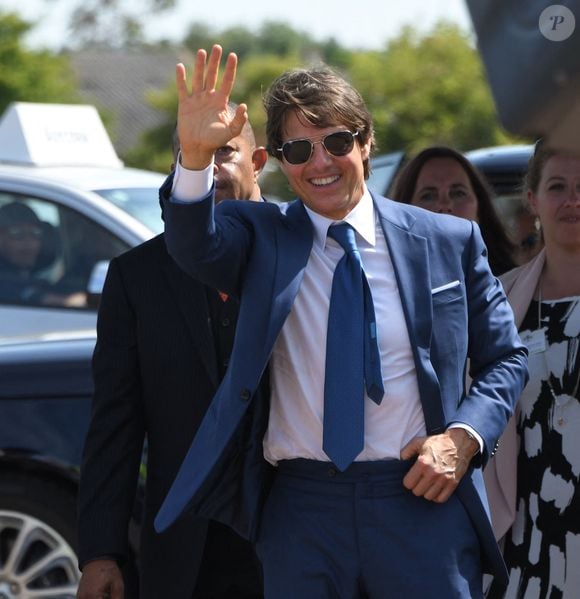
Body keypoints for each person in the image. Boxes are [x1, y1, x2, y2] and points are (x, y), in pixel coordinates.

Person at [155, 45, 528, 598]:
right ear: (280, 161)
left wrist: (463, 438)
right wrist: (193, 158)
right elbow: (193, 244)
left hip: (421, 500)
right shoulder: (261, 234)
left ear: (366, 140)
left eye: (335, 141)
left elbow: (506, 357)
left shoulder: (447, 240)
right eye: (299, 149)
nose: (321, 163)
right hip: (302, 508)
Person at [76, 106, 268, 599]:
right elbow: (115, 425)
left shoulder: (307, 254)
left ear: (259, 160)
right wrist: (101, 554)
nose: (210, 167)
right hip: (183, 553)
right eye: (192, 154)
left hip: (293, 541)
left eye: (222, 152)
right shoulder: (136, 277)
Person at [485, 140, 580, 598]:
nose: (572, 199)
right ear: (533, 199)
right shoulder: (501, 301)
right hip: (530, 534)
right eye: (557, 186)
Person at [392, 145, 517, 275]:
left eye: (458, 193)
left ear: (480, 209)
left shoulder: (513, 286)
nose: (445, 205)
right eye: (428, 196)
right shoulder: (383, 286)